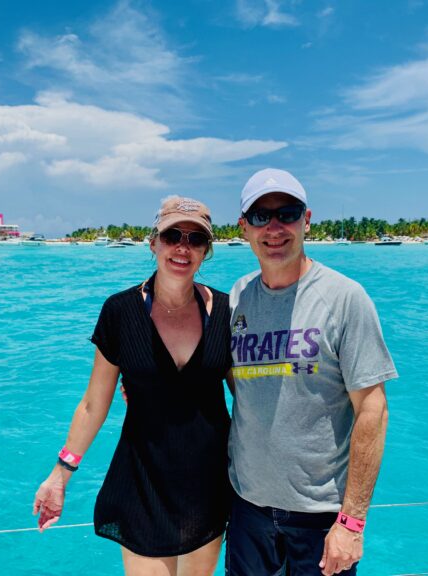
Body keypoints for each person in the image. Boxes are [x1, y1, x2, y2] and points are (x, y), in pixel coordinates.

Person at [33, 196, 233, 576]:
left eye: (195, 239)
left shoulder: (226, 311)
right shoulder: (120, 312)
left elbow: (251, 396)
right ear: (153, 242)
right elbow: (94, 404)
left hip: (207, 484)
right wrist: (59, 476)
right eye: (173, 235)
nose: (182, 247)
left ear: (207, 251)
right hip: (143, 481)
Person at [226, 169, 398, 576]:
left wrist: (352, 523)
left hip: (320, 518)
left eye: (287, 213)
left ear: (306, 220)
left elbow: (372, 411)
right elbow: (227, 380)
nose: (274, 228)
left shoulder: (345, 298)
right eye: (260, 217)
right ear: (243, 228)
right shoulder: (237, 297)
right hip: (247, 508)